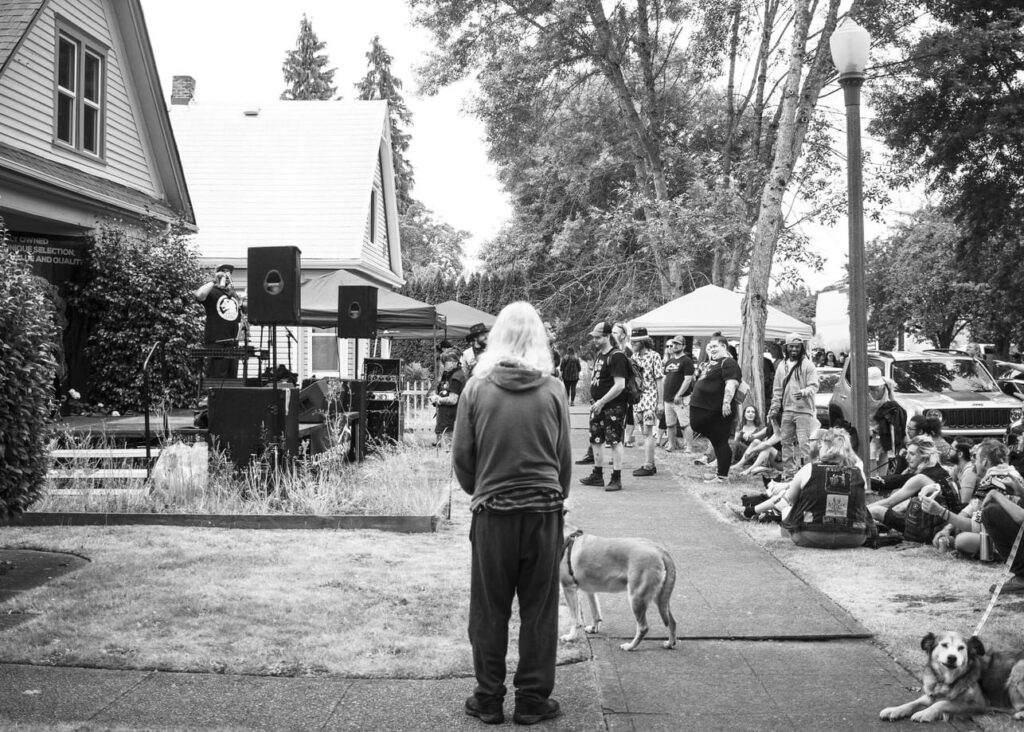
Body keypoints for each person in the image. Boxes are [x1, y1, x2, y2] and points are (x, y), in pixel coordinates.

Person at [452, 301, 570, 726]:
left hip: (493, 514)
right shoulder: (553, 389)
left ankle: (488, 699)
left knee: (489, 608)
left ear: (495, 336)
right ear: (539, 338)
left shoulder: (476, 388)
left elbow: (463, 459)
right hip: (543, 513)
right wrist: (555, 500)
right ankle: (532, 700)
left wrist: (482, 490)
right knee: (539, 609)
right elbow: (563, 463)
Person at [776, 428, 877, 548]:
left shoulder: (809, 469)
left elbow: (791, 500)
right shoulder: (859, 472)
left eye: (821, 444)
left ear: (825, 446)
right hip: (854, 536)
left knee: (785, 510)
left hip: (810, 534)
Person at [925, 439, 1024, 560]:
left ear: (985, 462)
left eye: (975, 458)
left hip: (1011, 539)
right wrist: (948, 528)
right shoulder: (1009, 473)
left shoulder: (991, 482)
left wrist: (941, 512)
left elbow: (976, 526)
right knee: (959, 526)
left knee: (962, 540)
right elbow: (972, 507)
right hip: (1015, 533)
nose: (973, 463)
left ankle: (995, 553)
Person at [867, 436, 961, 534]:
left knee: (876, 510)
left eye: (912, 454)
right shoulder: (943, 471)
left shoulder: (921, 478)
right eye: (907, 453)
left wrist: (859, 512)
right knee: (902, 506)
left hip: (926, 530)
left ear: (924, 456)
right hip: (948, 525)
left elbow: (888, 503)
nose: (906, 457)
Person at [580, 321, 630, 492]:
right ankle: (597, 474)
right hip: (598, 406)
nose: (595, 340)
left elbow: (620, 385)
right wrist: (596, 402)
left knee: (615, 441)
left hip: (613, 406)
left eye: (598, 337)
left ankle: (616, 478)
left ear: (608, 336)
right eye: (594, 337)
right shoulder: (600, 354)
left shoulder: (617, 356)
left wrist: (602, 401)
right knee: (596, 439)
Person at [689, 335, 741, 483]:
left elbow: (731, 384)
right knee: (718, 441)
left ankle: (722, 476)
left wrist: (726, 403)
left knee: (720, 441)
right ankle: (720, 473)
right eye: (709, 347)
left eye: (715, 346)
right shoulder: (711, 363)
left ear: (724, 346)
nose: (711, 349)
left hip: (717, 410)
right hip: (704, 408)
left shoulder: (729, 362)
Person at [768, 333, 819, 479]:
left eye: (797, 346)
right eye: (791, 346)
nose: (794, 349)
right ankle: (789, 473)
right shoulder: (781, 366)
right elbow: (777, 389)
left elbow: (814, 385)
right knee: (786, 443)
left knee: (804, 443)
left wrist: (804, 392)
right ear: (786, 347)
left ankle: (808, 473)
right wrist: (774, 407)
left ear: (801, 348)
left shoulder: (807, 365)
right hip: (787, 411)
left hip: (804, 411)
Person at [193, 264, 242, 378]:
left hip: (232, 345)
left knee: (231, 383)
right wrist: (214, 280)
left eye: (229, 272)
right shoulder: (213, 292)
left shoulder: (233, 295)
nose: (227, 274)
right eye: (223, 271)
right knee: (215, 382)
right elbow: (199, 295)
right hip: (216, 344)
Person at [628, 328, 664, 478]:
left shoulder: (654, 356)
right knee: (644, 431)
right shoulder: (634, 357)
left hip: (650, 398)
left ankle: (648, 465)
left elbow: (659, 379)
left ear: (642, 341)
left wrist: (660, 402)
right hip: (638, 398)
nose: (632, 344)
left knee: (648, 431)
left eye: (635, 342)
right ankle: (651, 463)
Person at [662, 335, 695, 453]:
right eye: (673, 343)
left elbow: (688, 380)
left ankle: (689, 447)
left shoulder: (687, 361)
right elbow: (665, 379)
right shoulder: (670, 361)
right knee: (670, 424)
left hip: (681, 399)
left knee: (685, 424)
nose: (675, 346)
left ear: (684, 346)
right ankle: (671, 445)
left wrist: (679, 394)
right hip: (668, 398)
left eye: (678, 344)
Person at [429, 347, 466, 449]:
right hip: (447, 420)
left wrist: (438, 399)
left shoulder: (456, 377)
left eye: (446, 362)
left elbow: (453, 399)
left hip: (451, 421)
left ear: (454, 362)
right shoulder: (451, 375)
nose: (443, 364)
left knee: (448, 451)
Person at [612, 322, 636, 447]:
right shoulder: (615, 348)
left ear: (623, 335)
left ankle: (626, 439)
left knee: (628, 414)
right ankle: (621, 440)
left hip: (626, 388)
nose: (612, 335)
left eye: (615, 332)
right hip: (617, 388)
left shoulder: (627, 349)